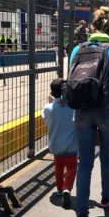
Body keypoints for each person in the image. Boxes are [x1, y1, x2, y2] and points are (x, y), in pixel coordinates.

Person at [70, 6, 109, 217]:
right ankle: (106, 197)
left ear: (91, 27)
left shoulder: (77, 50)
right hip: (107, 111)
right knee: (107, 157)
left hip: (82, 111)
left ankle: (82, 215)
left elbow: (72, 81)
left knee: (84, 163)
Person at [42, 79, 79, 208]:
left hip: (56, 146)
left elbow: (46, 121)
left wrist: (51, 102)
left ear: (52, 92)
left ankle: (59, 189)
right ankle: (67, 188)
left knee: (58, 167)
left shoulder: (48, 108)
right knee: (72, 168)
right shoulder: (73, 107)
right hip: (71, 146)